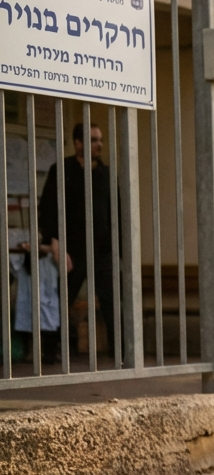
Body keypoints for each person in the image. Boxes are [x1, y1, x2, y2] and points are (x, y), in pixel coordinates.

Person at [37, 123, 119, 360]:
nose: (99, 144)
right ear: (78, 143)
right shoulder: (62, 170)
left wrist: (119, 251)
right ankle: (51, 351)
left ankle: (121, 353)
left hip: (102, 249)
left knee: (111, 300)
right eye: (93, 140)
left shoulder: (105, 175)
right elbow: (49, 208)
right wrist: (55, 241)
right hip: (71, 248)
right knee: (62, 298)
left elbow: (116, 211)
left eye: (100, 139)